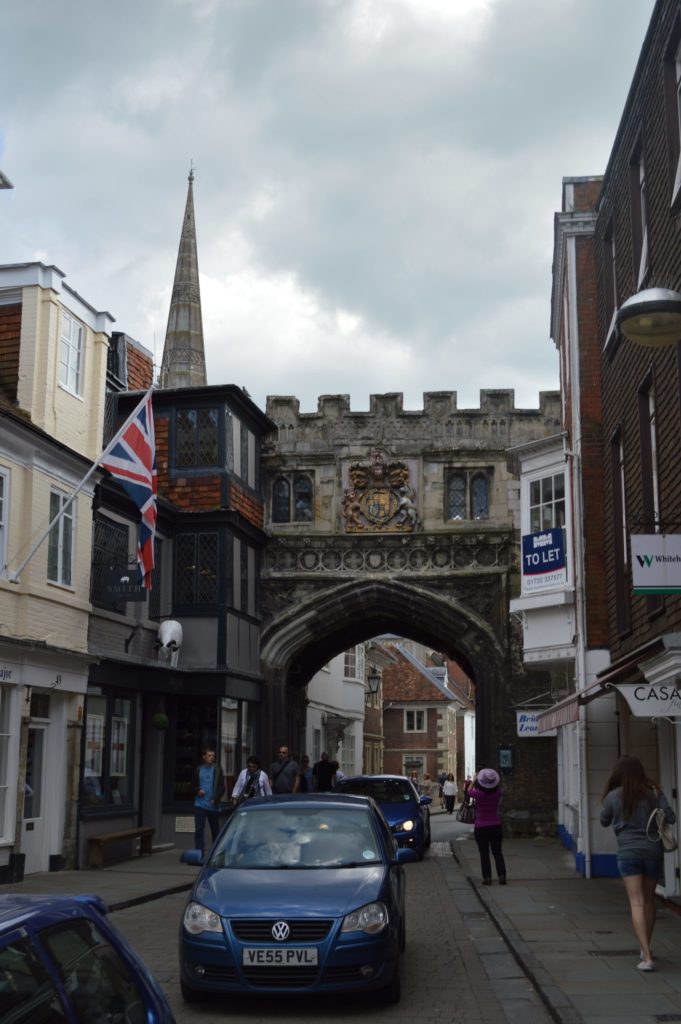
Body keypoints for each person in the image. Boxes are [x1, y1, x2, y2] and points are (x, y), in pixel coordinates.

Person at [600, 754, 676, 972]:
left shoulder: (614, 796)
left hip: (628, 852)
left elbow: (604, 820)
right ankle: (646, 948)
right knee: (649, 900)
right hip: (653, 850)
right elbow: (671, 817)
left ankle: (647, 957)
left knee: (636, 902)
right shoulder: (653, 792)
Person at [467, 768, 506, 886]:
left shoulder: (478, 794)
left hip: (481, 827)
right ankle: (502, 876)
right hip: (496, 826)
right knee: (497, 852)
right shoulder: (498, 793)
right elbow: (498, 788)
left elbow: (468, 791)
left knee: (484, 853)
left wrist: (474, 780)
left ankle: (487, 878)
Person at [193, 747, 225, 857]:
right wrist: (198, 791)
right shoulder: (198, 770)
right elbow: (193, 786)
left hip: (213, 805)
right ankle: (199, 854)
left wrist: (215, 798)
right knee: (199, 830)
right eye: (209, 755)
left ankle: (216, 855)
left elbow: (222, 787)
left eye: (213, 756)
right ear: (204, 757)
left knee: (215, 831)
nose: (212, 758)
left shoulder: (217, 769)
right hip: (199, 804)